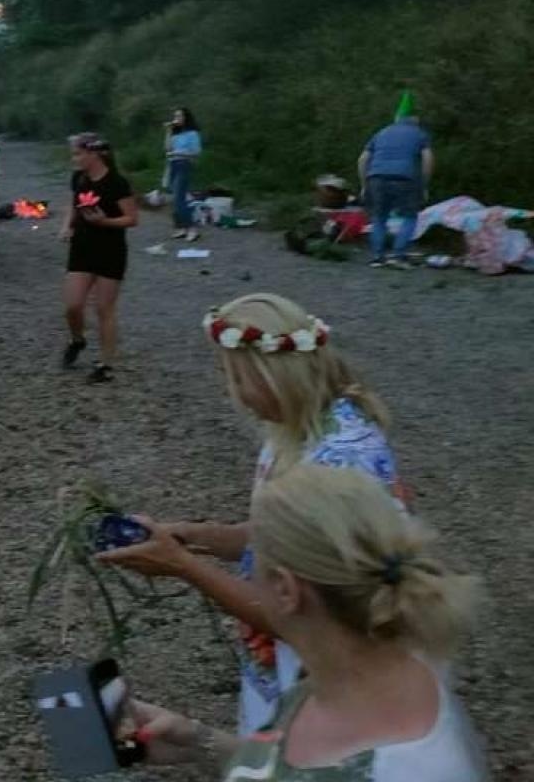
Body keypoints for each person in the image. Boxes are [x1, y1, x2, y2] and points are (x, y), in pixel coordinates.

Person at [100, 293, 403, 734]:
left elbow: (300, 616)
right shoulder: (299, 428)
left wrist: (181, 565)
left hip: (330, 679)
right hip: (293, 665)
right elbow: (279, 537)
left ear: (273, 375)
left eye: (236, 377)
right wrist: (189, 536)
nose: (234, 393)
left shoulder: (337, 462)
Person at [121, 465, 485, 780]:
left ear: (285, 589)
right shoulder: (377, 660)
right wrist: (197, 741)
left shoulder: (401, 769)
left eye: (253, 562)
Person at [61, 133, 138, 384]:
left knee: (104, 309)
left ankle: (105, 364)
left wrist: (105, 221)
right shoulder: (79, 178)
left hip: (110, 251)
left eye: (78, 154)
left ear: (93, 154)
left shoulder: (116, 183)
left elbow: (132, 219)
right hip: (81, 249)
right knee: (73, 305)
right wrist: (67, 226)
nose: (74, 159)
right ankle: (77, 339)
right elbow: (74, 205)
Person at [359, 91, 435, 269]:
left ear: (396, 118)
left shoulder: (381, 133)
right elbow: (428, 159)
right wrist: (424, 185)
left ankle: (377, 257)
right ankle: (398, 256)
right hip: (405, 178)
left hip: (376, 178)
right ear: (414, 119)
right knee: (409, 216)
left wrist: (364, 185)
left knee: (379, 218)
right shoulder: (419, 134)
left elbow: (362, 159)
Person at [164, 107, 202, 243]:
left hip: (184, 164)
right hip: (173, 165)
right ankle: (181, 228)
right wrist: (168, 131)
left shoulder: (193, 134)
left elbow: (196, 152)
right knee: (174, 198)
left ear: (186, 118)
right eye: (175, 116)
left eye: (179, 116)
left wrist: (178, 153)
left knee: (179, 198)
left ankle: (192, 228)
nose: (176, 119)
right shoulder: (176, 134)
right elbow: (168, 148)